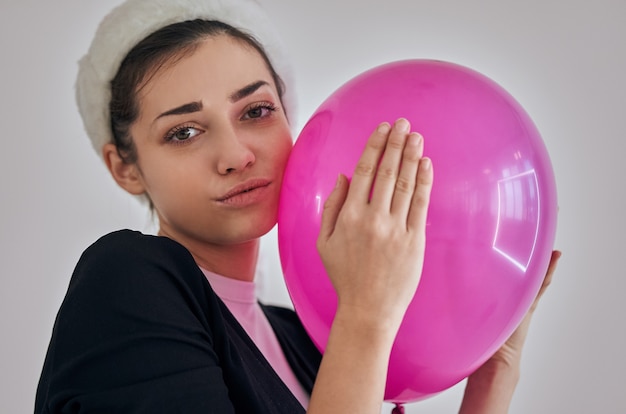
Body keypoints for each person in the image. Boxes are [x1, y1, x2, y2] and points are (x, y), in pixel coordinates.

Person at [35, 0, 561, 413]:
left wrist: (495, 371)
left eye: (257, 110)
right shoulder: (125, 281)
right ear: (124, 167)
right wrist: (365, 313)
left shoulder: (304, 339)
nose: (237, 155)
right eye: (185, 131)